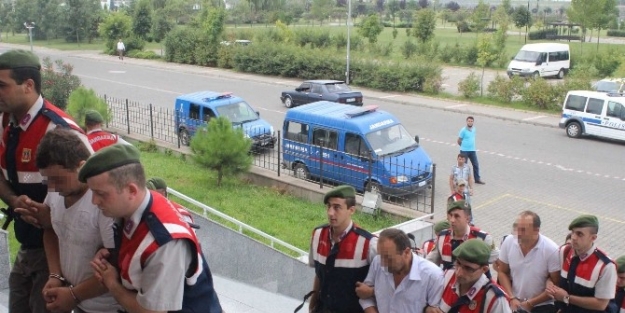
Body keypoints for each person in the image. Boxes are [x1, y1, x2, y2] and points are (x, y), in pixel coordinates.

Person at [79, 144, 223, 313]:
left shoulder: (165, 242)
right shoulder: (135, 207)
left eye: (101, 194)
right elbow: (135, 250)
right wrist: (110, 256)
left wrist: (112, 284)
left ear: (131, 190)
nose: (94, 201)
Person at [0, 49, 90, 313]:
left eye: (1, 86)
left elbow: (96, 192)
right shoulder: (5, 122)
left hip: (56, 253)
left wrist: (51, 219)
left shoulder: (61, 130)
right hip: (27, 245)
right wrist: (14, 199)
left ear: (28, 85)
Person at [35, 128, 122, 313]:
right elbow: (50, 230)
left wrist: (73, 295)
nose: (52, 187)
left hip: (105, 307)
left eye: (58, 179)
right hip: (77, 302)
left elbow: (114, 264)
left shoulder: (103, 204)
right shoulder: (56, 192)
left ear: (82, 166)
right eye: (47, 180)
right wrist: (55, 275)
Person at [308, 185, 377, 313]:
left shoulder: (369, 243)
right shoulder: (317, 235)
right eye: (329, 206)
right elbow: (319, 275)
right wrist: (312, 305)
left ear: (351, 210)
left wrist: (372, 291)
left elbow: (389, 281)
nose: (330, 213)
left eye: (337, 207)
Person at [358, 228, 444, 313]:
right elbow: (365, 297)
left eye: (389, 258)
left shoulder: (433, 276)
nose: (383, 263)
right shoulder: (378, 262)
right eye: (381, 256)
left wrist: (373, 291)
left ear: (406, 252)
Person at [546, 215, 617, 313]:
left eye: (580, 234)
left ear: (593, 238)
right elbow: (553, 277)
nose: (573, 237)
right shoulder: (564, 251)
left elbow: (601, 304)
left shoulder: (606, 266)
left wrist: (567, 298)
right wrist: (549, 284)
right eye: (573, 232)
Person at [497, 211, 560, 313]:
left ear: (536, 230)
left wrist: (530, 303)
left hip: (542, 304)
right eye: (517, 228)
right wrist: (512, 298)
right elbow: (502, 272)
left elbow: (556, 284)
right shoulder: (508, 242)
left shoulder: (551, 250)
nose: (518, 233)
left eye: (523, 230)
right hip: (514, 300)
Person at [426, 239, 512, 313]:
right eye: (458, 263)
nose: (459, 273)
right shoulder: (447, 275)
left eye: (468, 268)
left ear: (484, 270)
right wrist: (428, 309)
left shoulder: (495, 299)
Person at [426, 201, 497, 275]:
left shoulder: (483, 238)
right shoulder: (442, 237)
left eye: (457, 216)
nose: (452, 220)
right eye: (451, 215)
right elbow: (430, 264)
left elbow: (498, 262)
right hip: (449, 284)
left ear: (468, 218)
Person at [457, 116, 484, 185]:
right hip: (464, 151)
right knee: (463, 165)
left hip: (472, 150)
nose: (470, 122)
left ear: (473, 122)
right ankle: (462, 180)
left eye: (471, 121)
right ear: (466, 122)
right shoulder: (463, 130)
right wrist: (463, 146)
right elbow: (459, 140)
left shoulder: (474, 129)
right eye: (469, 121)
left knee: (475, 164)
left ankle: (477, 179)